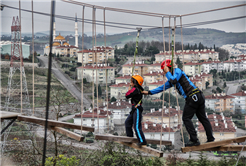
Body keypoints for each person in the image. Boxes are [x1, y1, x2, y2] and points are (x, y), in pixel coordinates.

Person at [142, 59, 215, 147]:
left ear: (168, 68)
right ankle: (210, 138)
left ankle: (194, 140)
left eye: (164, 71)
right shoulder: (172, 78)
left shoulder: (177, 71)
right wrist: (148, 92)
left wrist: (167, 72)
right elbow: (162, 87)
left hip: (193, 96)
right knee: (202, 118)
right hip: (197, 96)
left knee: (186, 118)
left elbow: (174, 80)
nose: (164, 74)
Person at [125, 75, 147, 147]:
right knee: (127, 122)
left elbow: (127, 95)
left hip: (137, 109)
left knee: (136, 126)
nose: (130, 83)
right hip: (134, 109)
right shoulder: (138, 89)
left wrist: (129, 90)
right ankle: (130, 138)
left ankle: (142, 141)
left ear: (135, 82)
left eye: (131, 81)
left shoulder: (135, 89)